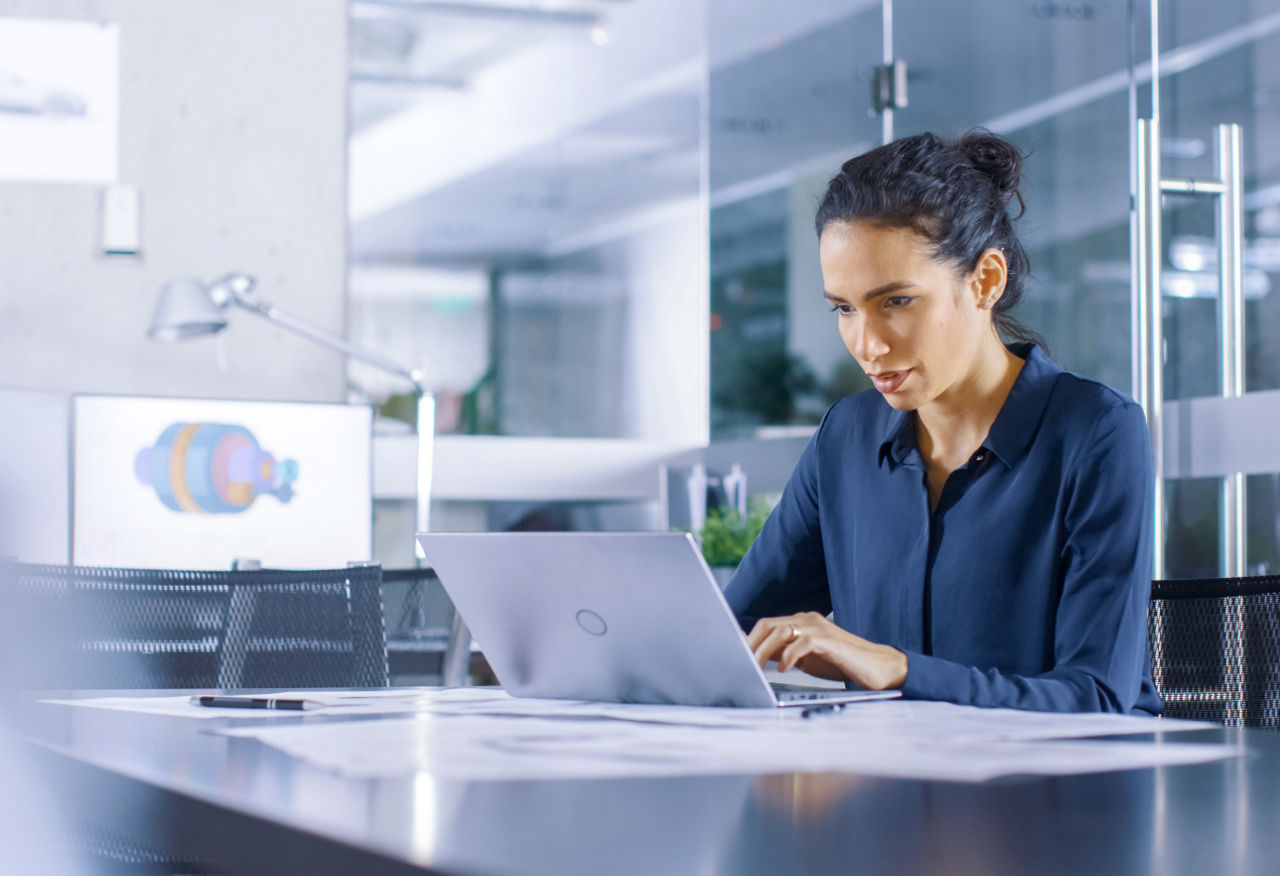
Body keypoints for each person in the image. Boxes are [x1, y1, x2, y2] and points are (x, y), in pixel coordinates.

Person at [723, 131, 1162, 714]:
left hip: (1061, 792)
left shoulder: (1096, 433)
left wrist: (899, 670)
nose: (867, 344)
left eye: (896, 302)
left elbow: (1098, 695)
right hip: (893, 786)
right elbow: (733, 631)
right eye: (844, 309)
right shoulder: (847, 438)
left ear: (985, 281)